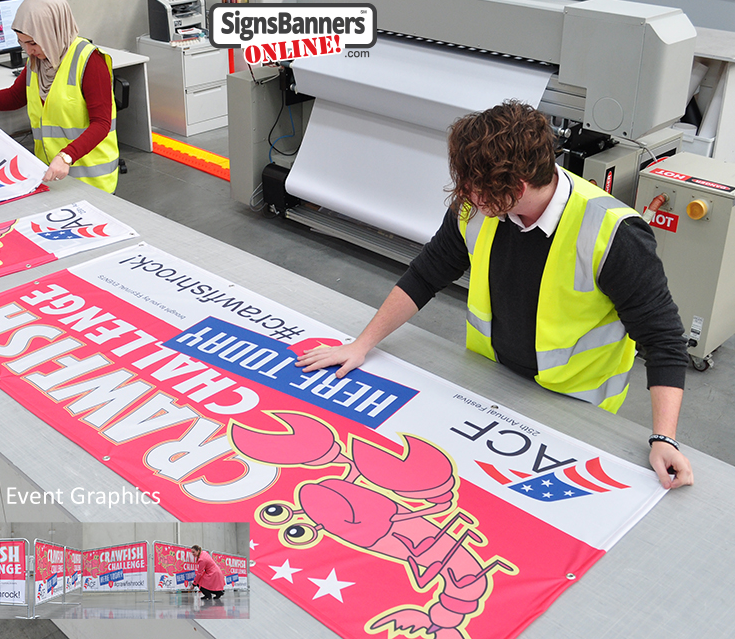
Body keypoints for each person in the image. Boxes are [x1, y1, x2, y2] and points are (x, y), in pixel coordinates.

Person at [296, 100, 694, 490]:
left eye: (474, 190)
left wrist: (664, 438)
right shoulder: (476, 208)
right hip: (490, 387)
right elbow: (426, 274)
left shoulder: (613, 234)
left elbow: (662, 340)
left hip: (575, 411)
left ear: (517, 187)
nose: (464, 198)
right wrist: (362, 344)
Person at [0, 0, 119, 193]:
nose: (28, 51)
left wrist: (66, 156)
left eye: (33, 43)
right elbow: (15, 97)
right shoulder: (39, 62)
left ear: (52, 32)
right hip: (51, 174)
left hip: (91, 179)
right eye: (22, 43)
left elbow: (102, 123)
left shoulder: (89, 61)